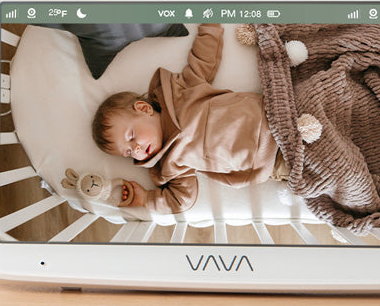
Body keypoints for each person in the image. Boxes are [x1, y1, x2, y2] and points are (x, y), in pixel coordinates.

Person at [90, 23, 282, 214]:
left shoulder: (180, 94)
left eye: (131, 136)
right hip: (269, 161)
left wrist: (210, 27)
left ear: (143, 108)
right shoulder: (170, 166)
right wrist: (146, 199)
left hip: (273, 111)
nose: (136, 149)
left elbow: (203, 61)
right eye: (129, 153)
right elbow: (181, 200)